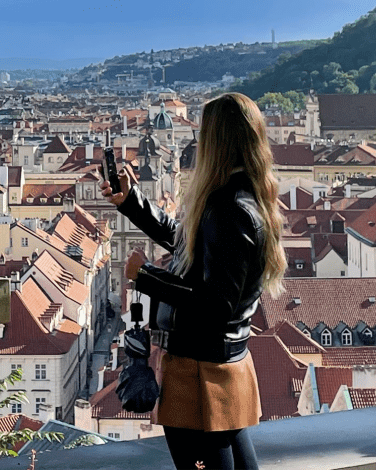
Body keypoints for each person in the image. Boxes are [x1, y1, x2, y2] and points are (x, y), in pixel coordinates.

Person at [101, 92, 286, 470]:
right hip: (223, 366)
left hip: (200, 371)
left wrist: (146, 277)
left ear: (217, 142)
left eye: (205, 134)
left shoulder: (228, 209)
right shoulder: (241, 199)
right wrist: (132, 202)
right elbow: (187, 242)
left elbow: (215, 304)